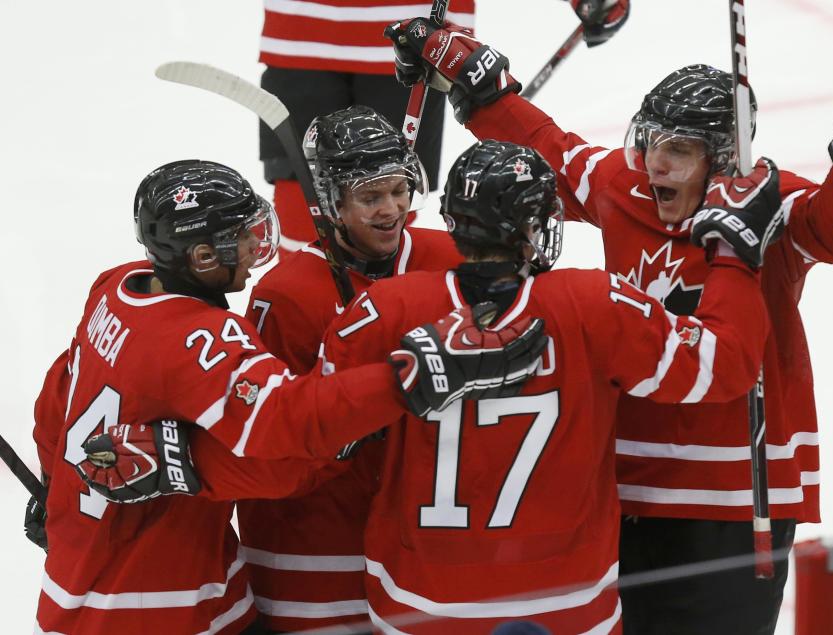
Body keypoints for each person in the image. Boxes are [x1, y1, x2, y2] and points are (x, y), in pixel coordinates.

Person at [385, 20, 833, 634]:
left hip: (732, 503)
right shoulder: (626, 188)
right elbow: (555, 152)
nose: (654, 164)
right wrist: (475, 84)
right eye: (650, 141)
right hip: (626, 490)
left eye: (678, 150)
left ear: (721, 157)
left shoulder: (766, 201)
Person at [31, 159, 546, 635]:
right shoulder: (200, 341)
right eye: (240, 238)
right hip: (160, 596)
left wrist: (54, 482)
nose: (257, 248)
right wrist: (411, 378)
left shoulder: (116, 288)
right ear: (203, 256)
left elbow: (56, 400)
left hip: (89, 564)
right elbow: (290, 430)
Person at [318, 139, 781, 633]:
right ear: (532, 226)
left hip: (418, 602)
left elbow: (320, 437)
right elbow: (724, 365)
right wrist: (733, 254)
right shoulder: (594, 304)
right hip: (567, 605)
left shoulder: (382, 309)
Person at [236, 105, 465, 632]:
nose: (392, 210)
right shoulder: (286, 294)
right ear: (330, 202)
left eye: (399, 191)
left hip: (424, 535)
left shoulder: (449, 257)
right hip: (315, 544)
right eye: (370, 197)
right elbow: (267, 435)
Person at [259, 0, 629, 257]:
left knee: (391, 193)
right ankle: (303, 328)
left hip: (415, 41)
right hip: (310, 34)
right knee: (304, 196)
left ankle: (385, 321)